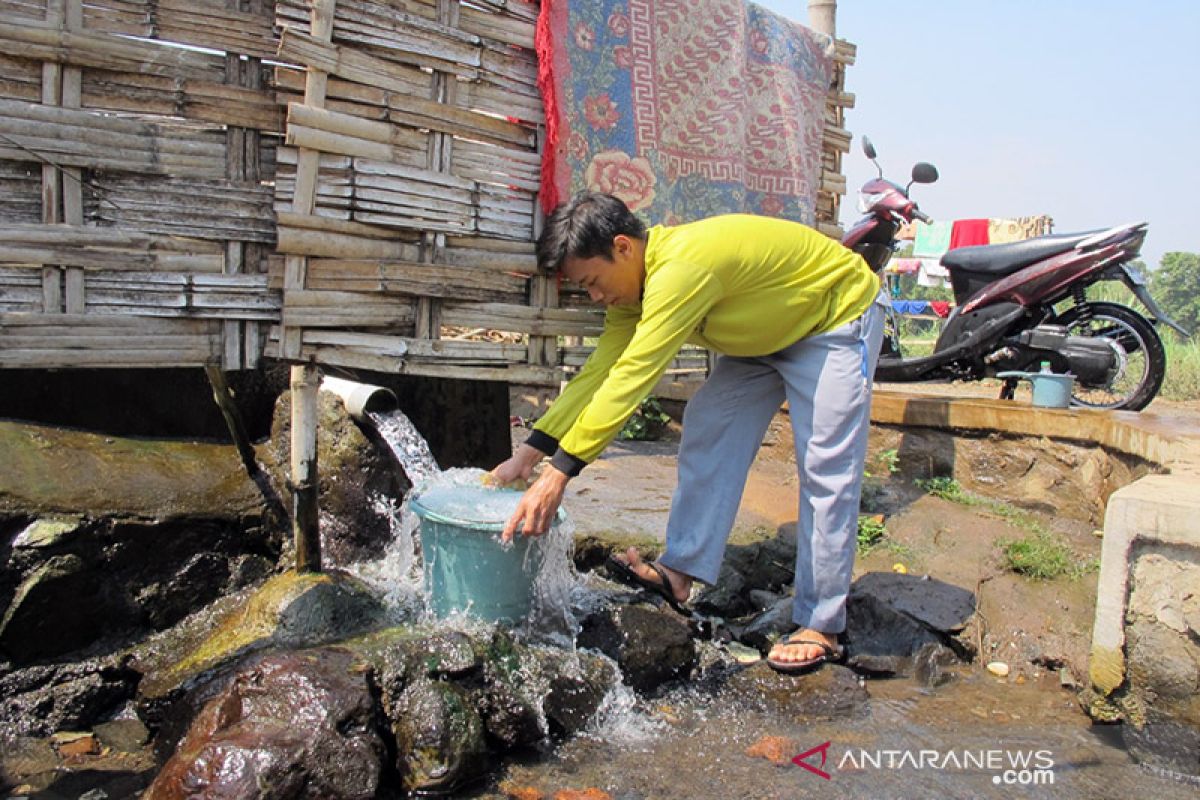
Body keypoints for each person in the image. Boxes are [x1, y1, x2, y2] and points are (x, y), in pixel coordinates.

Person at [490, 191, 886, 673]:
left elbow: (633, 377)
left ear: (623, 248)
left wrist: (560, 474)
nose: (595, 297)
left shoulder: (679, 270)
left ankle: (822, 623)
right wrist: (530, 455)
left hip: (835, 317)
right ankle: (678, 573)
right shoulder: (632, 293)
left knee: (826, 463)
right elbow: (601, 371)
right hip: (765, 333)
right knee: (708, 425)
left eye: (593, 282)